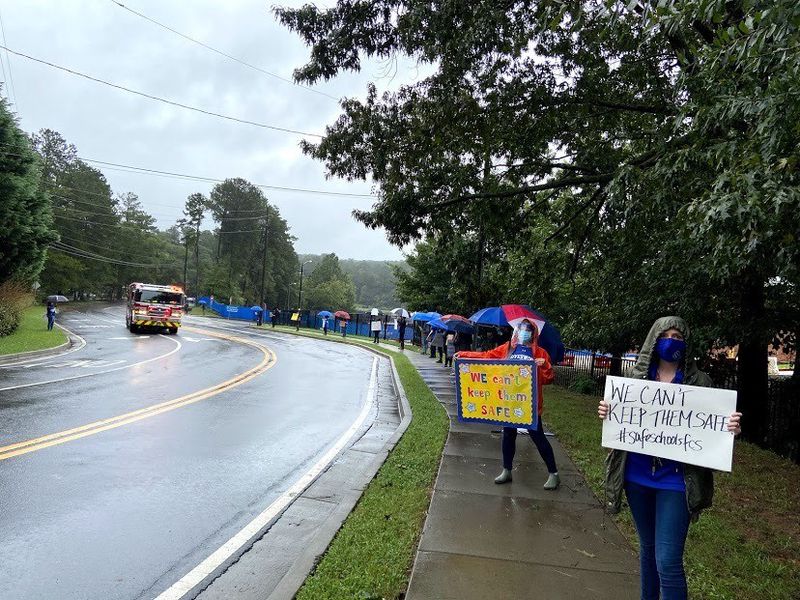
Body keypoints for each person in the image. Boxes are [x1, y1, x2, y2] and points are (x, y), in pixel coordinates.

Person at [598, 316, 742, 600]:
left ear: (686, 344)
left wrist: (731, 429)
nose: (672, 341)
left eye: (679, 337)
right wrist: (607, 412)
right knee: (648, 550)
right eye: (667, 335)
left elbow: (711, 427)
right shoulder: (634, 380)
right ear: (654, 339)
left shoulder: (700, 382)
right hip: (636, 476)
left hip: (677, 482)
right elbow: (621, 420)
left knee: (667, 560)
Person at [457, 319, 559, 489]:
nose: (523, 332)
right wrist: (465, 355)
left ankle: (554, 474)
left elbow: (549, 379)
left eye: (528, 330)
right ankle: (507, 470)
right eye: (521, 329)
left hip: (530, 405)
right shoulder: (508, 348)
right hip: (508, 402)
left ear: (533, 334)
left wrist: (545, 365)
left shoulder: (540, 353)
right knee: (508, 436)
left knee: (538, 437)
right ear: (516, 331)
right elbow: (487, 356)